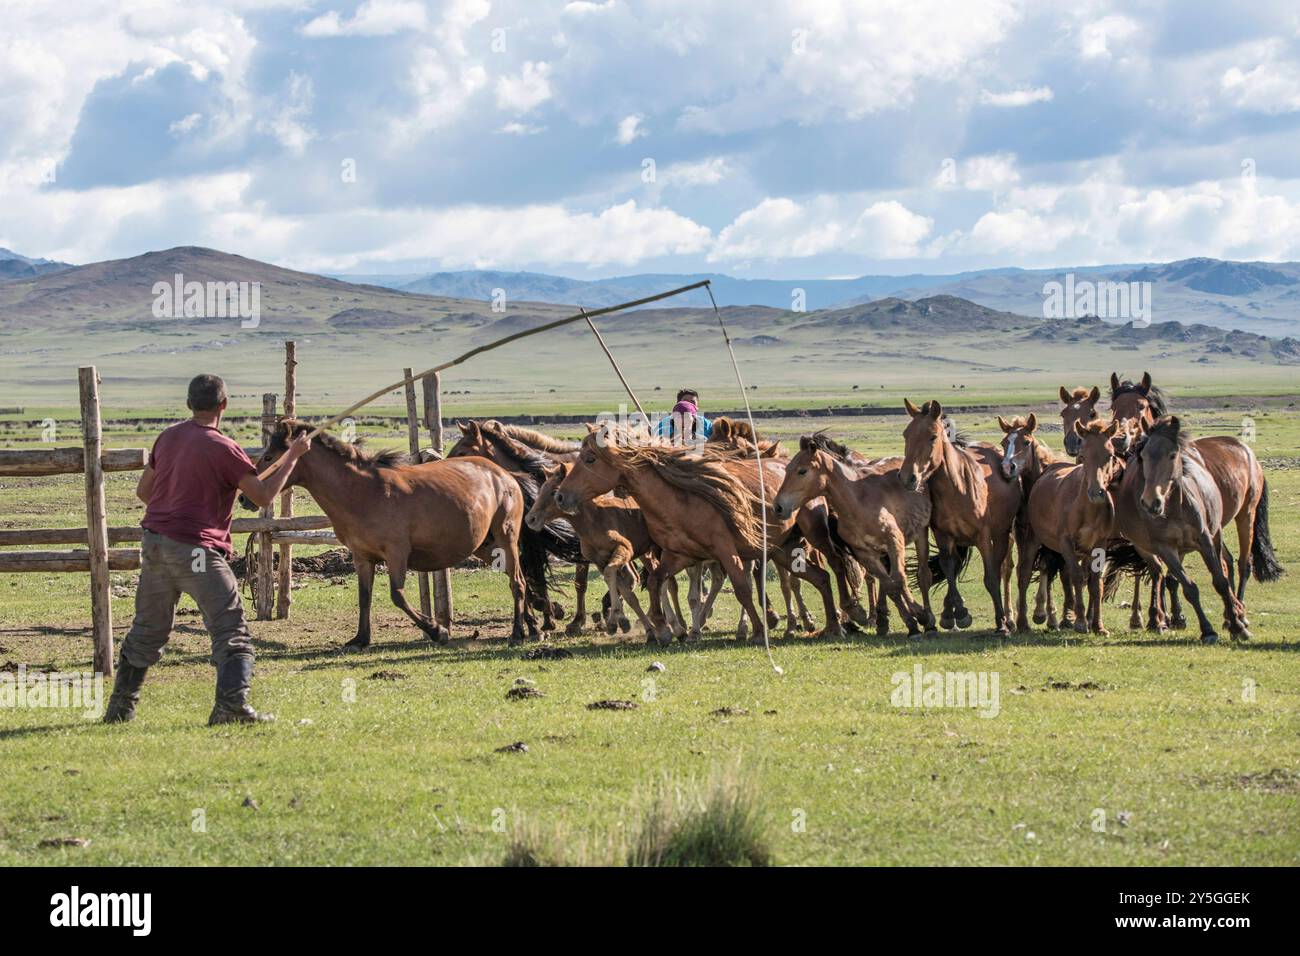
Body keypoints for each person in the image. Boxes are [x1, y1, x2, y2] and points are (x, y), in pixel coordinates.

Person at [103, 374, 311, 726]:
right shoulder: (224, 447)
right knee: (231, 629)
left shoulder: (168, 438)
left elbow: (144, 493)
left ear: (189, 404)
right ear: (223, 406)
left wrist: (180, 501)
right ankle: (230, 707)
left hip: (154, 542)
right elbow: (260, 497)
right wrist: (293, 456)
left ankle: (120, 710)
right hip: (196, 550)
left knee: (148, 630)